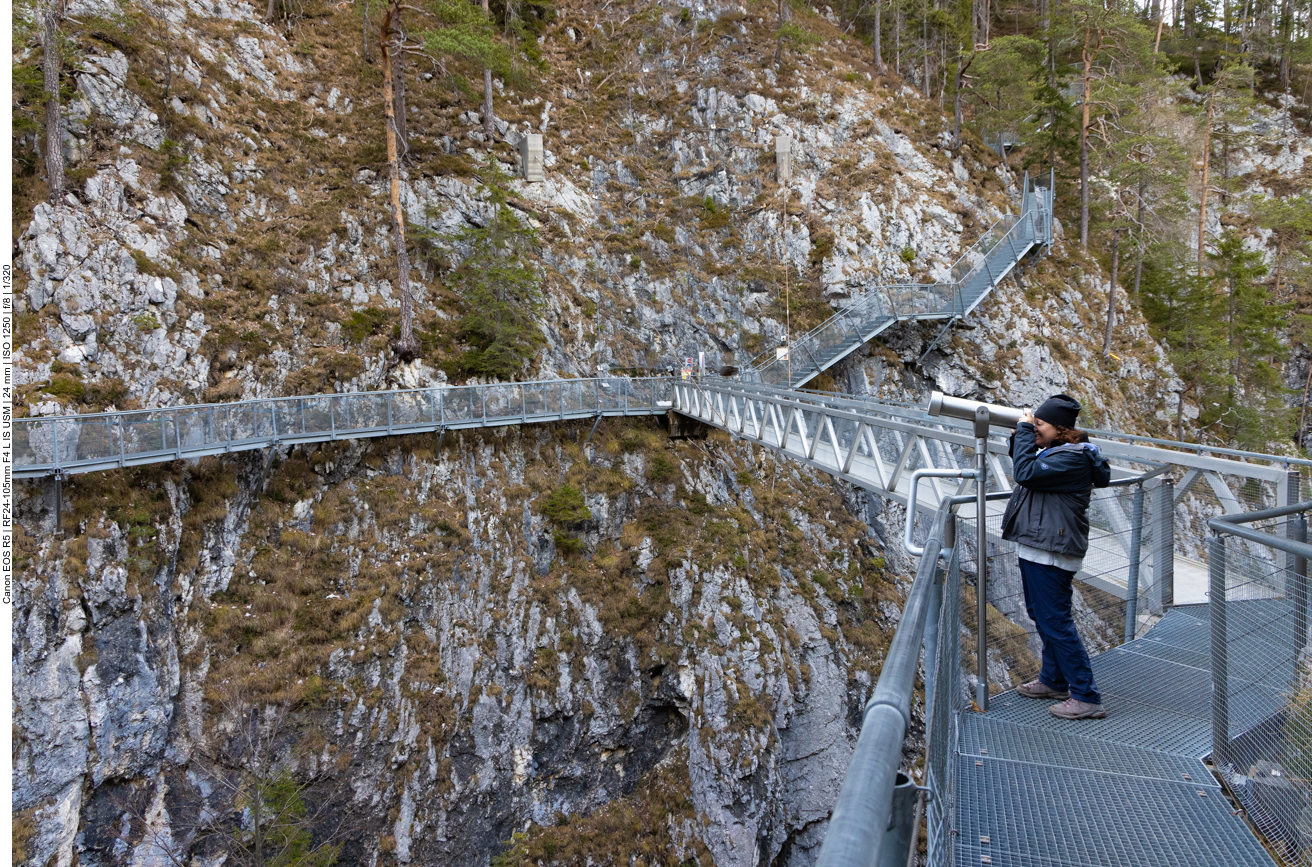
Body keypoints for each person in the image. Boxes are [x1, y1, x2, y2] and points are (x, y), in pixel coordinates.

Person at [1000, 393, 1112, 720]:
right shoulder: (1054, 451)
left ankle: (1086, 696)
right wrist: (1019, 435)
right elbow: (1024, 462)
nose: (1034, 428)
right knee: (1042, 617)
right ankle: (1054, 680)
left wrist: (1024, 435)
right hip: (1038, 546)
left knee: (1056, 623)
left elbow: (1025, 473)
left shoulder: (1072, 458)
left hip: (1052, 551)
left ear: (1059, 428)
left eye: (1039, 424)